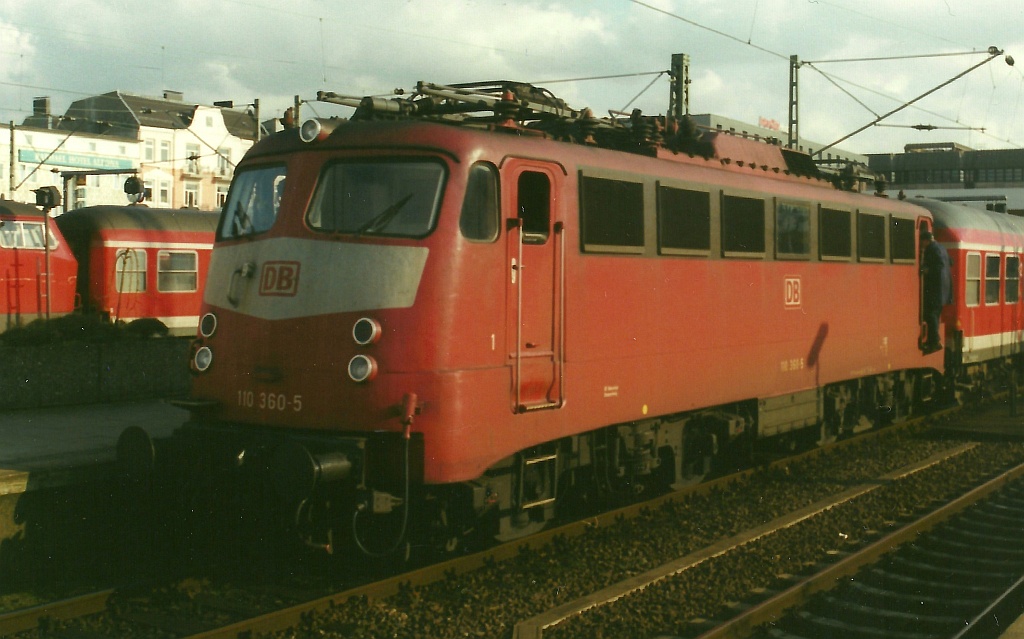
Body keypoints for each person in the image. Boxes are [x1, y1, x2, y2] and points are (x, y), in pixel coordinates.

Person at [920, 230, 952, 354]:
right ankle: (932, 340)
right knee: (935, 314)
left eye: (922, 242)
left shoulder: (932, 249)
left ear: (925, 241)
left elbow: (939, 266)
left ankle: (935, 341)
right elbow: (951, 261)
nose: (921, 245)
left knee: (930, 313)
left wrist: (927, 270)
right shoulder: (942, 247)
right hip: (944, 289)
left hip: (936, 289)